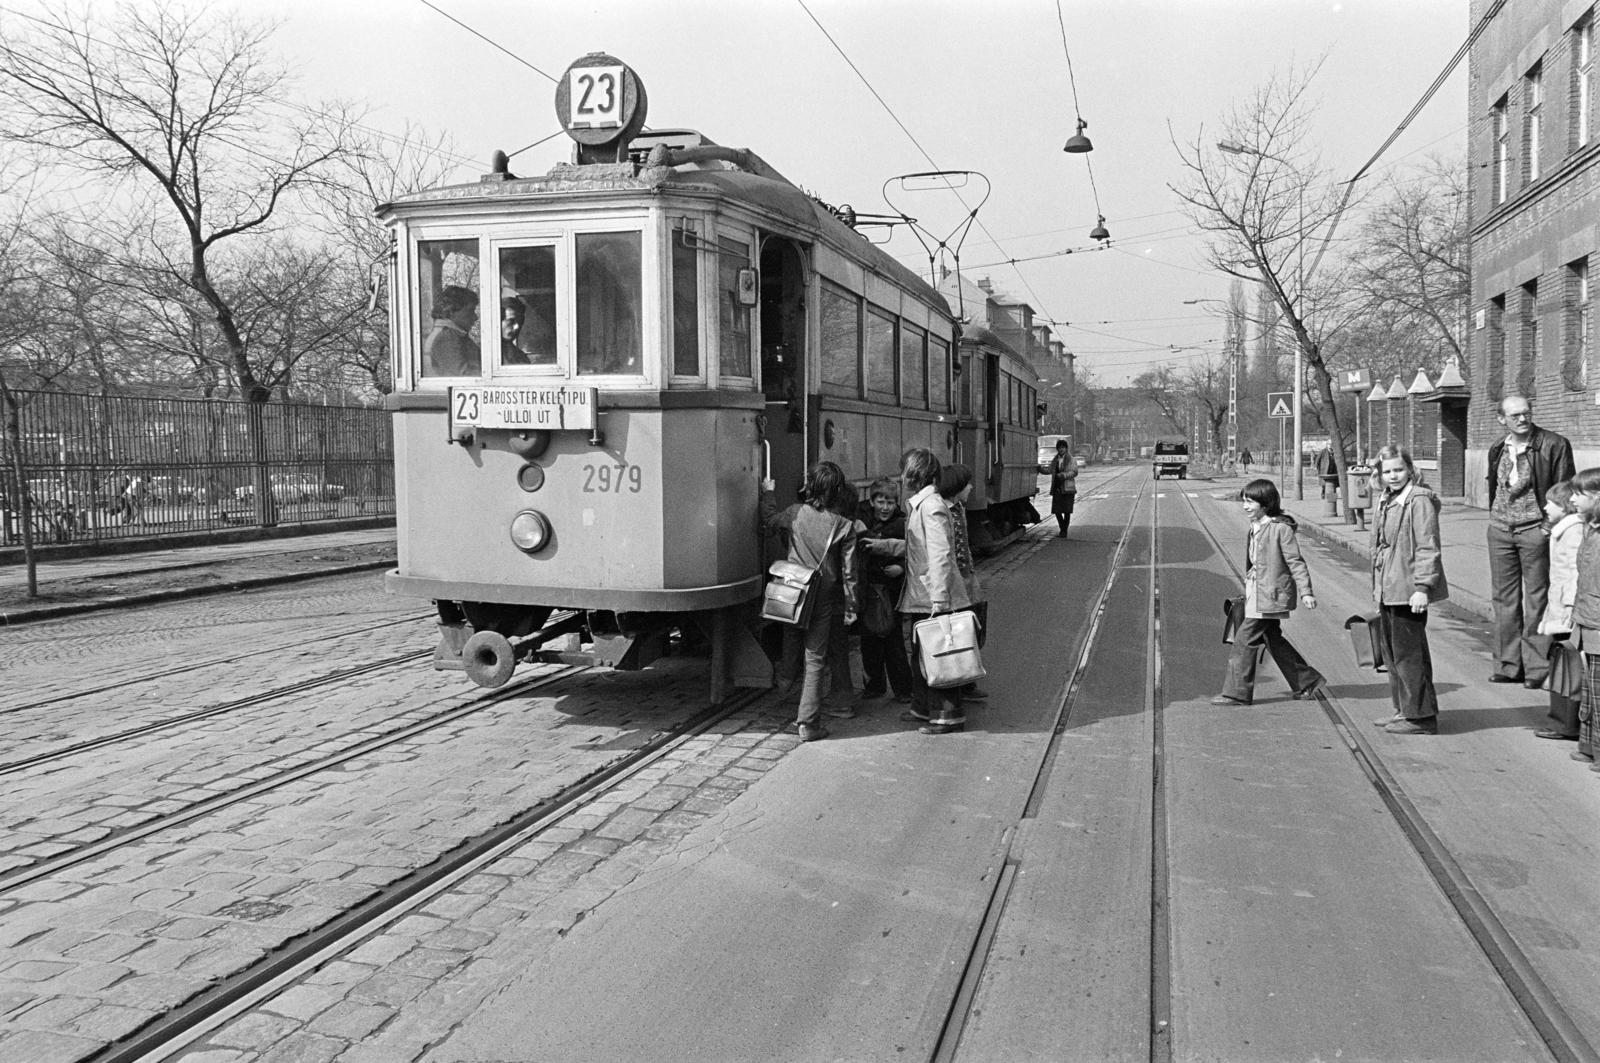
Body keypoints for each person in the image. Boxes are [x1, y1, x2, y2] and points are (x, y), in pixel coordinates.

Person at [877, 447, 970, 735]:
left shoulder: (931, 506)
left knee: (939, 652)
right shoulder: (922, 504)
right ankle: (922, 705)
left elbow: (941, 554)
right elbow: (917, 547)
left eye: (904, 471)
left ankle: (947, 714)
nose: (901, 477)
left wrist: (941, 599)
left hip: (933, 594)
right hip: (922, 593)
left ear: (914, 474)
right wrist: (883, 546)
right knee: (920, 650)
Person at [1486, 395, 1574, 686]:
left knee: (1537, 597)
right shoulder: (1498, 448)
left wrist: (1549, 527)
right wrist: (1494, 519)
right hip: (1500, 530)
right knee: (1504, 599)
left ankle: (1536, 668)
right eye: (1515, 416)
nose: (1522, 419)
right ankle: (1508, 665)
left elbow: (1564, 491)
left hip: (1535, 530)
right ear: (1502, 419)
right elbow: (1495, 488)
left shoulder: (1554, 444)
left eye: (1526, 413)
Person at [1211, 479, 1324, 705]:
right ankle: (1306, 681)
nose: (1245, 506)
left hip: (1270, 596)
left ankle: (1237, 693)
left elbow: (1295, 562)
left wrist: (1306, 592)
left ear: (1266, 503)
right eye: (1244, 501)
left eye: (1250, 502)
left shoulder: (1280, 529)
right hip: (1257, 594)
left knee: (1243, 640)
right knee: (1272, 638)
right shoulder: (1256, 527)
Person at [1370, 445, 1449, 735]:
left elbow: (1428, 545)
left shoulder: (1418, 500)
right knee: (1392, 654)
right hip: (1389, 586)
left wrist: (1423, 587)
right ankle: (1404, 709)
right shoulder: (1388, 499)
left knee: (1409, 654)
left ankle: (1421, 718)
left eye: (1399, 469)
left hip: (1408, 588)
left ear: (1410, 470)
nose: (1393, 476)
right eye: (1387, 471)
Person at [783, 461, 858, 742]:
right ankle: (808, 723)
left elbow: (769, 520)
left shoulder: (794, 513)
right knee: (815, 657)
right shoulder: (844, 526)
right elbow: (850, 574)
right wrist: (851, 608)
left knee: (790, 636)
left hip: (793, 592)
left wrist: (767, 493)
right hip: (824, 596)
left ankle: (784, 683)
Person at [1535, 479, 1582, 742]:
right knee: (1561, 663)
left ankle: (1566, 722)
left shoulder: (1573, 531)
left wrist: (1569, 606)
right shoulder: (1562, 528)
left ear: (1565, 506)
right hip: (1559, 606)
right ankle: (1561, 718)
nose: (1545, 506)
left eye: (1551, 502)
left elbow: (1575, 571)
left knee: (1568, 666)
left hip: (1566, 610)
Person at [857, 478, 912, 703]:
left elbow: (913, 554)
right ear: (872, 501)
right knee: (869, 639)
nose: (885, 507)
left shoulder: (901, 524)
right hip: (869, 587)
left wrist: (901, 567)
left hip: (891, 590)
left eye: (890, 502)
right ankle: (873, 684)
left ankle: (903, 689)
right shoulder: (863, 516)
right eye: (881, 502)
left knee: (893, 640)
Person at [938, 463, 990, 700]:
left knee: (973, 628)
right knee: (960, 631)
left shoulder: (959, 508)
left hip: (968, 578)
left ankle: (968, 680)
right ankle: (961, 684)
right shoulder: (944, 511)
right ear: (956, 488)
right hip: (957, 583)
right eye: (967, 484)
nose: (971, 487)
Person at [1567, 468, 1600, 771]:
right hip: (1587, 618)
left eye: (1580, 494)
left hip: (1598, 623)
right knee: (1590, 690)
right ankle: (1589, 746)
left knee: (1599, 691)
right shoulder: (1590, 528)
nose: (1573, 499)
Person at [424, 285, 480, 376]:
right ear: (451, 311)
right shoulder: (446, 338)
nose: (475, 317)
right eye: (470, 311)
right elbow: (464, 376)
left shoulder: (453, 335)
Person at [1048, 439, 1078, 538]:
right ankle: (1063, 528)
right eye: (1059, 448)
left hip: (1068, 488)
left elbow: (1074, 472)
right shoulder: (1055, 459)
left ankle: (1064, 531)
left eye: (1063, 447)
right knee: (1057, 510)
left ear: (1066, 448)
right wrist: (1039, 469)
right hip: (1057, 487)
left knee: (1067, 511)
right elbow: (1049, 469)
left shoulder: (1071, 459)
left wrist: (1064, 475)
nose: (1061, 449)